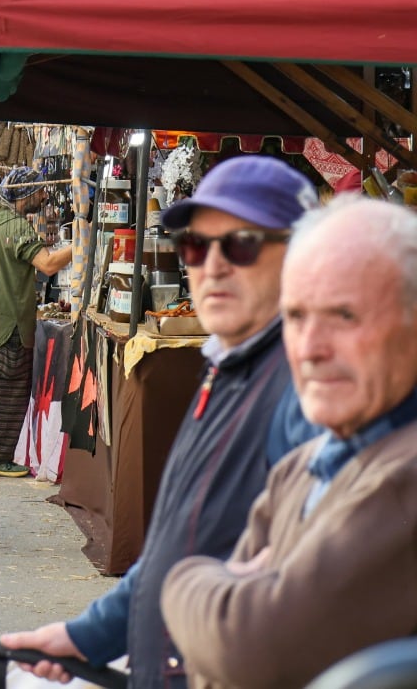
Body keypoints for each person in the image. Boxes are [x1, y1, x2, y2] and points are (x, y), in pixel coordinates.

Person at [2, 155, 319, 686]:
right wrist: (89, 635)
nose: (211, 265)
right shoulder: (230, 368)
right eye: (195, 245)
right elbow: (183, 540)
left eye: (241, 244)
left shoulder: (309, 391)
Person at [159, 197, 417, 689]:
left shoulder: (403, 474)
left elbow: (249, 647)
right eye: (296, 317)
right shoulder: (302, 466)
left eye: (344, 315)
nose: (312, 348)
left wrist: (183, 582)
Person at [0, 167, 74, 477]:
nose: (42, 196)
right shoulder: (16, 227)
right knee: (6, 394)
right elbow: (48, 264)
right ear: (24, 194)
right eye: (38, 191)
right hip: (8, 324)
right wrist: (81, 246)